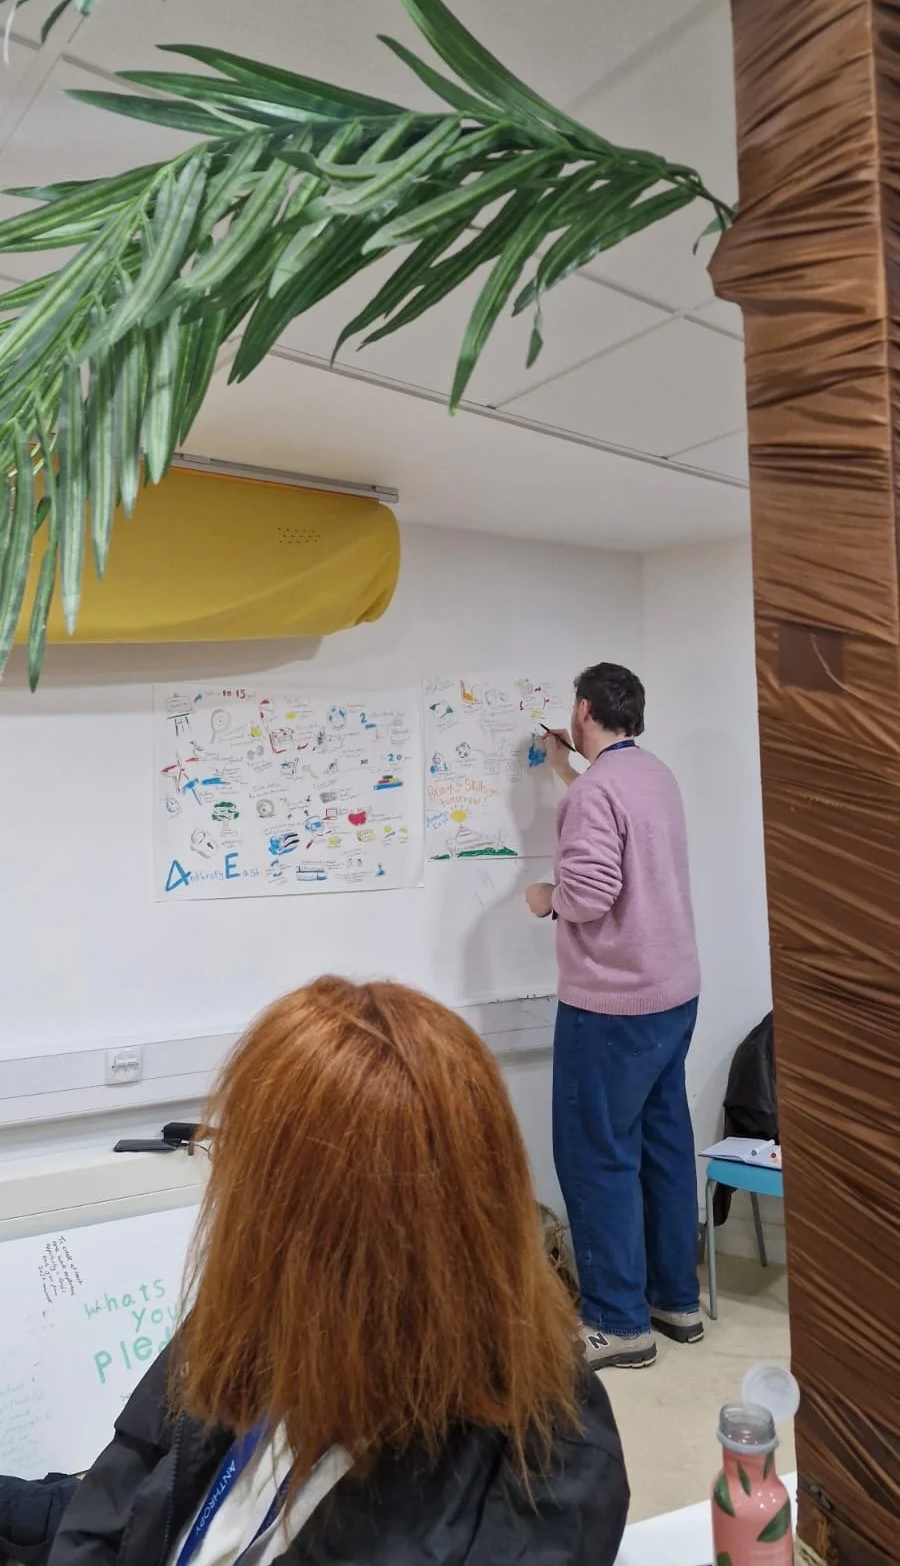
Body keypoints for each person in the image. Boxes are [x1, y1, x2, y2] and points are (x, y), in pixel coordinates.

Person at [2, 978, 629, 1566]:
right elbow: (122, 1501)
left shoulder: (550, 1457)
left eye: (250, 1174)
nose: (231, 1205)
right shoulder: (253, 1316)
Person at [525, 663, 702, 1372]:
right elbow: (610, 811)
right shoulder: (652, 775)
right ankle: (674, 1301)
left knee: (596, 1155)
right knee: (662, 1145)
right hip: (672, 996)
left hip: (611, 1006)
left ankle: (617, 1321)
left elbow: (592, 892)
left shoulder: (595, 793)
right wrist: (562, 770)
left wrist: (546, 897)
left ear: (583, 709)